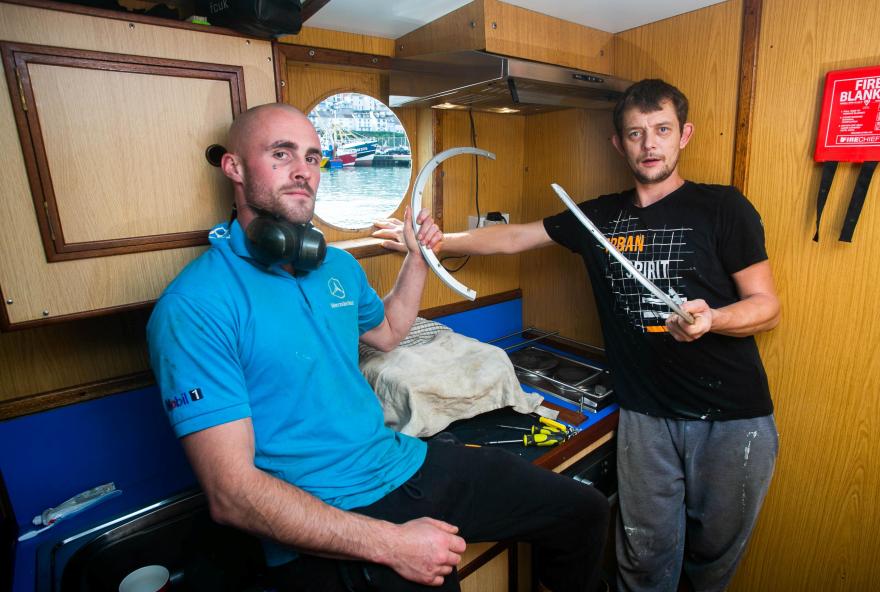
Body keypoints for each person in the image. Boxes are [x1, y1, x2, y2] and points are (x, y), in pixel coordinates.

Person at [147, 103, 609, 592]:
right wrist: (394, 544)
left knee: (584, 512)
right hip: (325, 509)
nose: (304, 170)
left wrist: (418, 256)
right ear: (234, 168)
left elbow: (388, 331)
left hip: (399, 460)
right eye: (281, 154)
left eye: (313, 157)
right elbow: (233, 494)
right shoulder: (195, 305)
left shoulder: (335, 267)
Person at [374, 79, 780, 591]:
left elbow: (767, 308)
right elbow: (515, 236)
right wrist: (427, 245)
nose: (649, 144)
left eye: (661, 130)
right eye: (635, 133)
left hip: (732, 419)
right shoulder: (598, 218)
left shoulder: (723, 208)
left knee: (711, 563)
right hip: (647, 415)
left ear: (685, 135)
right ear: (619, 143)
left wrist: (713, 320)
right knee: (644, 562)